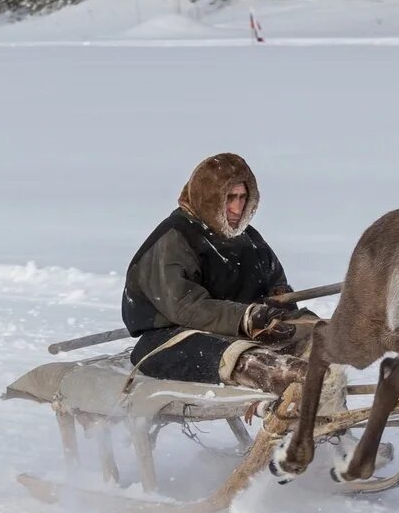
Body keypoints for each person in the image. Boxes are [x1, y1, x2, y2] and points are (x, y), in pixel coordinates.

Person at [122, 153, 310, 395]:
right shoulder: (174, 238)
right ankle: (290, 421)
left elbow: (274, 281)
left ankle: (327, 422)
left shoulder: (249, 239)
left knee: (319, 342)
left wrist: (278, 300)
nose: (237, 208)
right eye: (229, 198)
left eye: (243, 198)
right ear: (209, 198)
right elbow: (184, 307)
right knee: (264, 366)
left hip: (236, 331)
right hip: (171, 339)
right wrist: (248, 316)